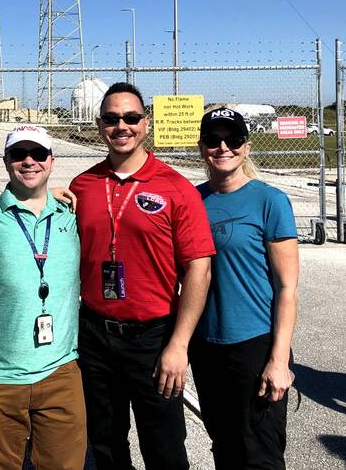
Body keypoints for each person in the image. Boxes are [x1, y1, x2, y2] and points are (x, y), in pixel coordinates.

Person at [70, 82, 215, 470]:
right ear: (100, 125)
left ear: (145, 124)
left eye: (131, 118)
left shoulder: (176, 188)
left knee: (164, 445)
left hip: (153, 337)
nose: (122, 126)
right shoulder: (82, 186)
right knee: (104, 441)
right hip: (95, 334)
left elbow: (199, 267)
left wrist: (179, 345)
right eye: (112, 118)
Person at [0, 124, 85, 470]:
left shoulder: (71, 215)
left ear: (51, 160)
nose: (29, 161)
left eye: (38, 154)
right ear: (6, 161)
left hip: (60, 372)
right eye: (19, 154)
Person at [190, 107, 299, 469]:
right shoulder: (193, 201)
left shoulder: (269, 201)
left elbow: (287, 288)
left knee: (259, 453)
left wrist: (279, 360)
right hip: (206, 345)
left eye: (233, 139)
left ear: (247, 147)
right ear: (202, 147)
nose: (223, 147)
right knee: (223, 445)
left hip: (254, 343)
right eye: (213, 140)